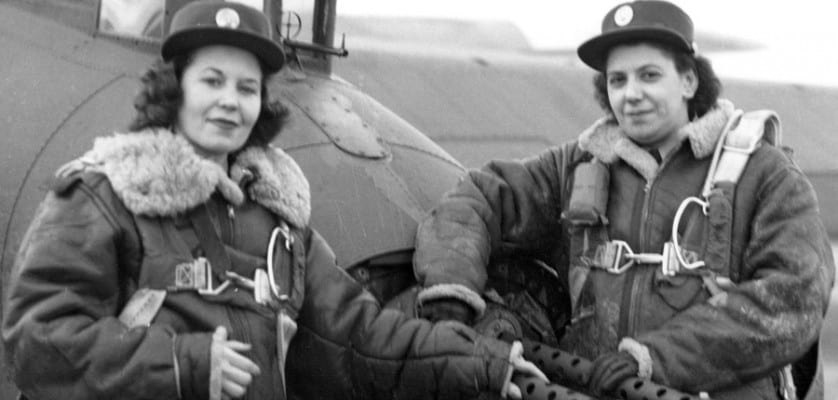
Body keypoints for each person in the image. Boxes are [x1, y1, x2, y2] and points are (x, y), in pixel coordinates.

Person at [1, 2, 546, 399]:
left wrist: (483, 362)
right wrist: (182, 365)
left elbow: (360, 335)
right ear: (176, 89)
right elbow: (38, 340)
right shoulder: (104, 194)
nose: (228, 102)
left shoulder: (277, 219)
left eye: (246, 87)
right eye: (211, 80)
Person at [411, 1, 835, 399]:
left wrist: (655, 359)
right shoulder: (575, 165)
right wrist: (452, 294)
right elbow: (477, 198)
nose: (631, 93)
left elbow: (795, 297)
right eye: (618, 80)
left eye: (649, 75)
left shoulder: (764, 173)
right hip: (592, 386)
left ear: (689, 81)